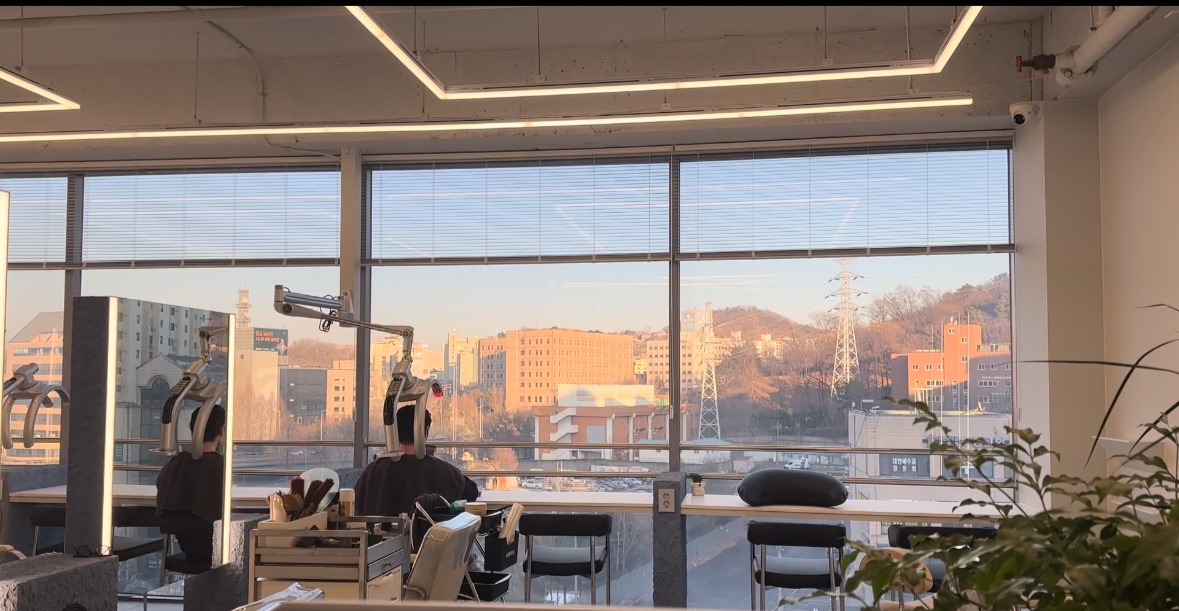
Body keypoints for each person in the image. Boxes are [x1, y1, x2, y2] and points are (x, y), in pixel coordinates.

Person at [355, 404, 480, 517]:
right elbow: (471, 493)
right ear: (425, 431)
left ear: (395, 431)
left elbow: (355, 502)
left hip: (376, 535)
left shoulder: (371, 471)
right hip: (428, 535)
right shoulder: (445, 472)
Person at [155, 404, 226, 566]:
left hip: (187, 550)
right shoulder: (220, 467)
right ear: (221, 430)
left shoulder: (174, 465)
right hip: (217, 553)